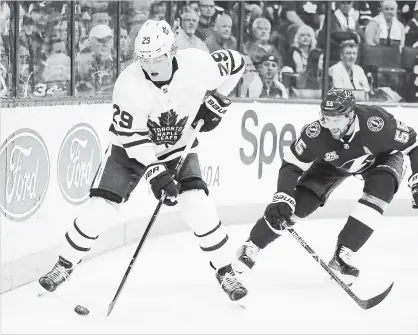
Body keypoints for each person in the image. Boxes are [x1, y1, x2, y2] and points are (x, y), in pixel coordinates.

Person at [38, 19, 247, 303]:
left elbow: (236, 63)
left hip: (178, 147)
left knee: (197, 204)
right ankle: (63, 264)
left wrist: (218, 100)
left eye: (157, 58)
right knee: (101, 207)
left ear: (172, 51)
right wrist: (156, 172)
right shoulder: (129, 84)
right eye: (143, 59)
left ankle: (225, 270)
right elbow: (134, 140)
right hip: (130, 150)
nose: (149, 65)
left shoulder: (198, 65)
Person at [233, 87, 418, 286]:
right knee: (298, 205)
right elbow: (291, 164)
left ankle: (343, 255)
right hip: (335, 163)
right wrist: (283, 195)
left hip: (381, 158)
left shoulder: (376, 123)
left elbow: (413, 144)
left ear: (350, 115)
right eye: (326, 117)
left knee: (382, 189)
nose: (330, 124)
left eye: (336, 118)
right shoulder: (316, 133)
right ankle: (251, 245)